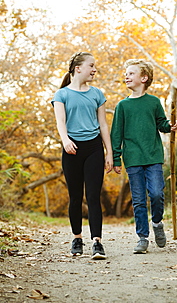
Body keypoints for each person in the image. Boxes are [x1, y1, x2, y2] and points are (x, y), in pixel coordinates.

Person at [111, 59, 177, 254]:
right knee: (139, 200)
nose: (127, 76)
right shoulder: (122, 106)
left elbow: (161, 123)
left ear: (144, 78)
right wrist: (116, 159)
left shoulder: (153, 102)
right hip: (133, 158)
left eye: (131, 73)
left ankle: (157, 223)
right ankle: (142, 238)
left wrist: (169, 126)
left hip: (153, 155)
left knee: (156, 193)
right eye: (126, 73)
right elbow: (116, 134)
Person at [51, 51, 113, 260]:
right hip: (72, 149)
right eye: (91, 66)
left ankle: (97, 242)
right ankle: (77, 238)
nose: (95, 70)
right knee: (75, 197)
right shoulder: (62, 94)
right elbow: (60, 122)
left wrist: (109, 153)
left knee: (93, 196)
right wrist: (65, 140)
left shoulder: (97, 94)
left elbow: (103, 125)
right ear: (78, 68)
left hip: (94, 148)